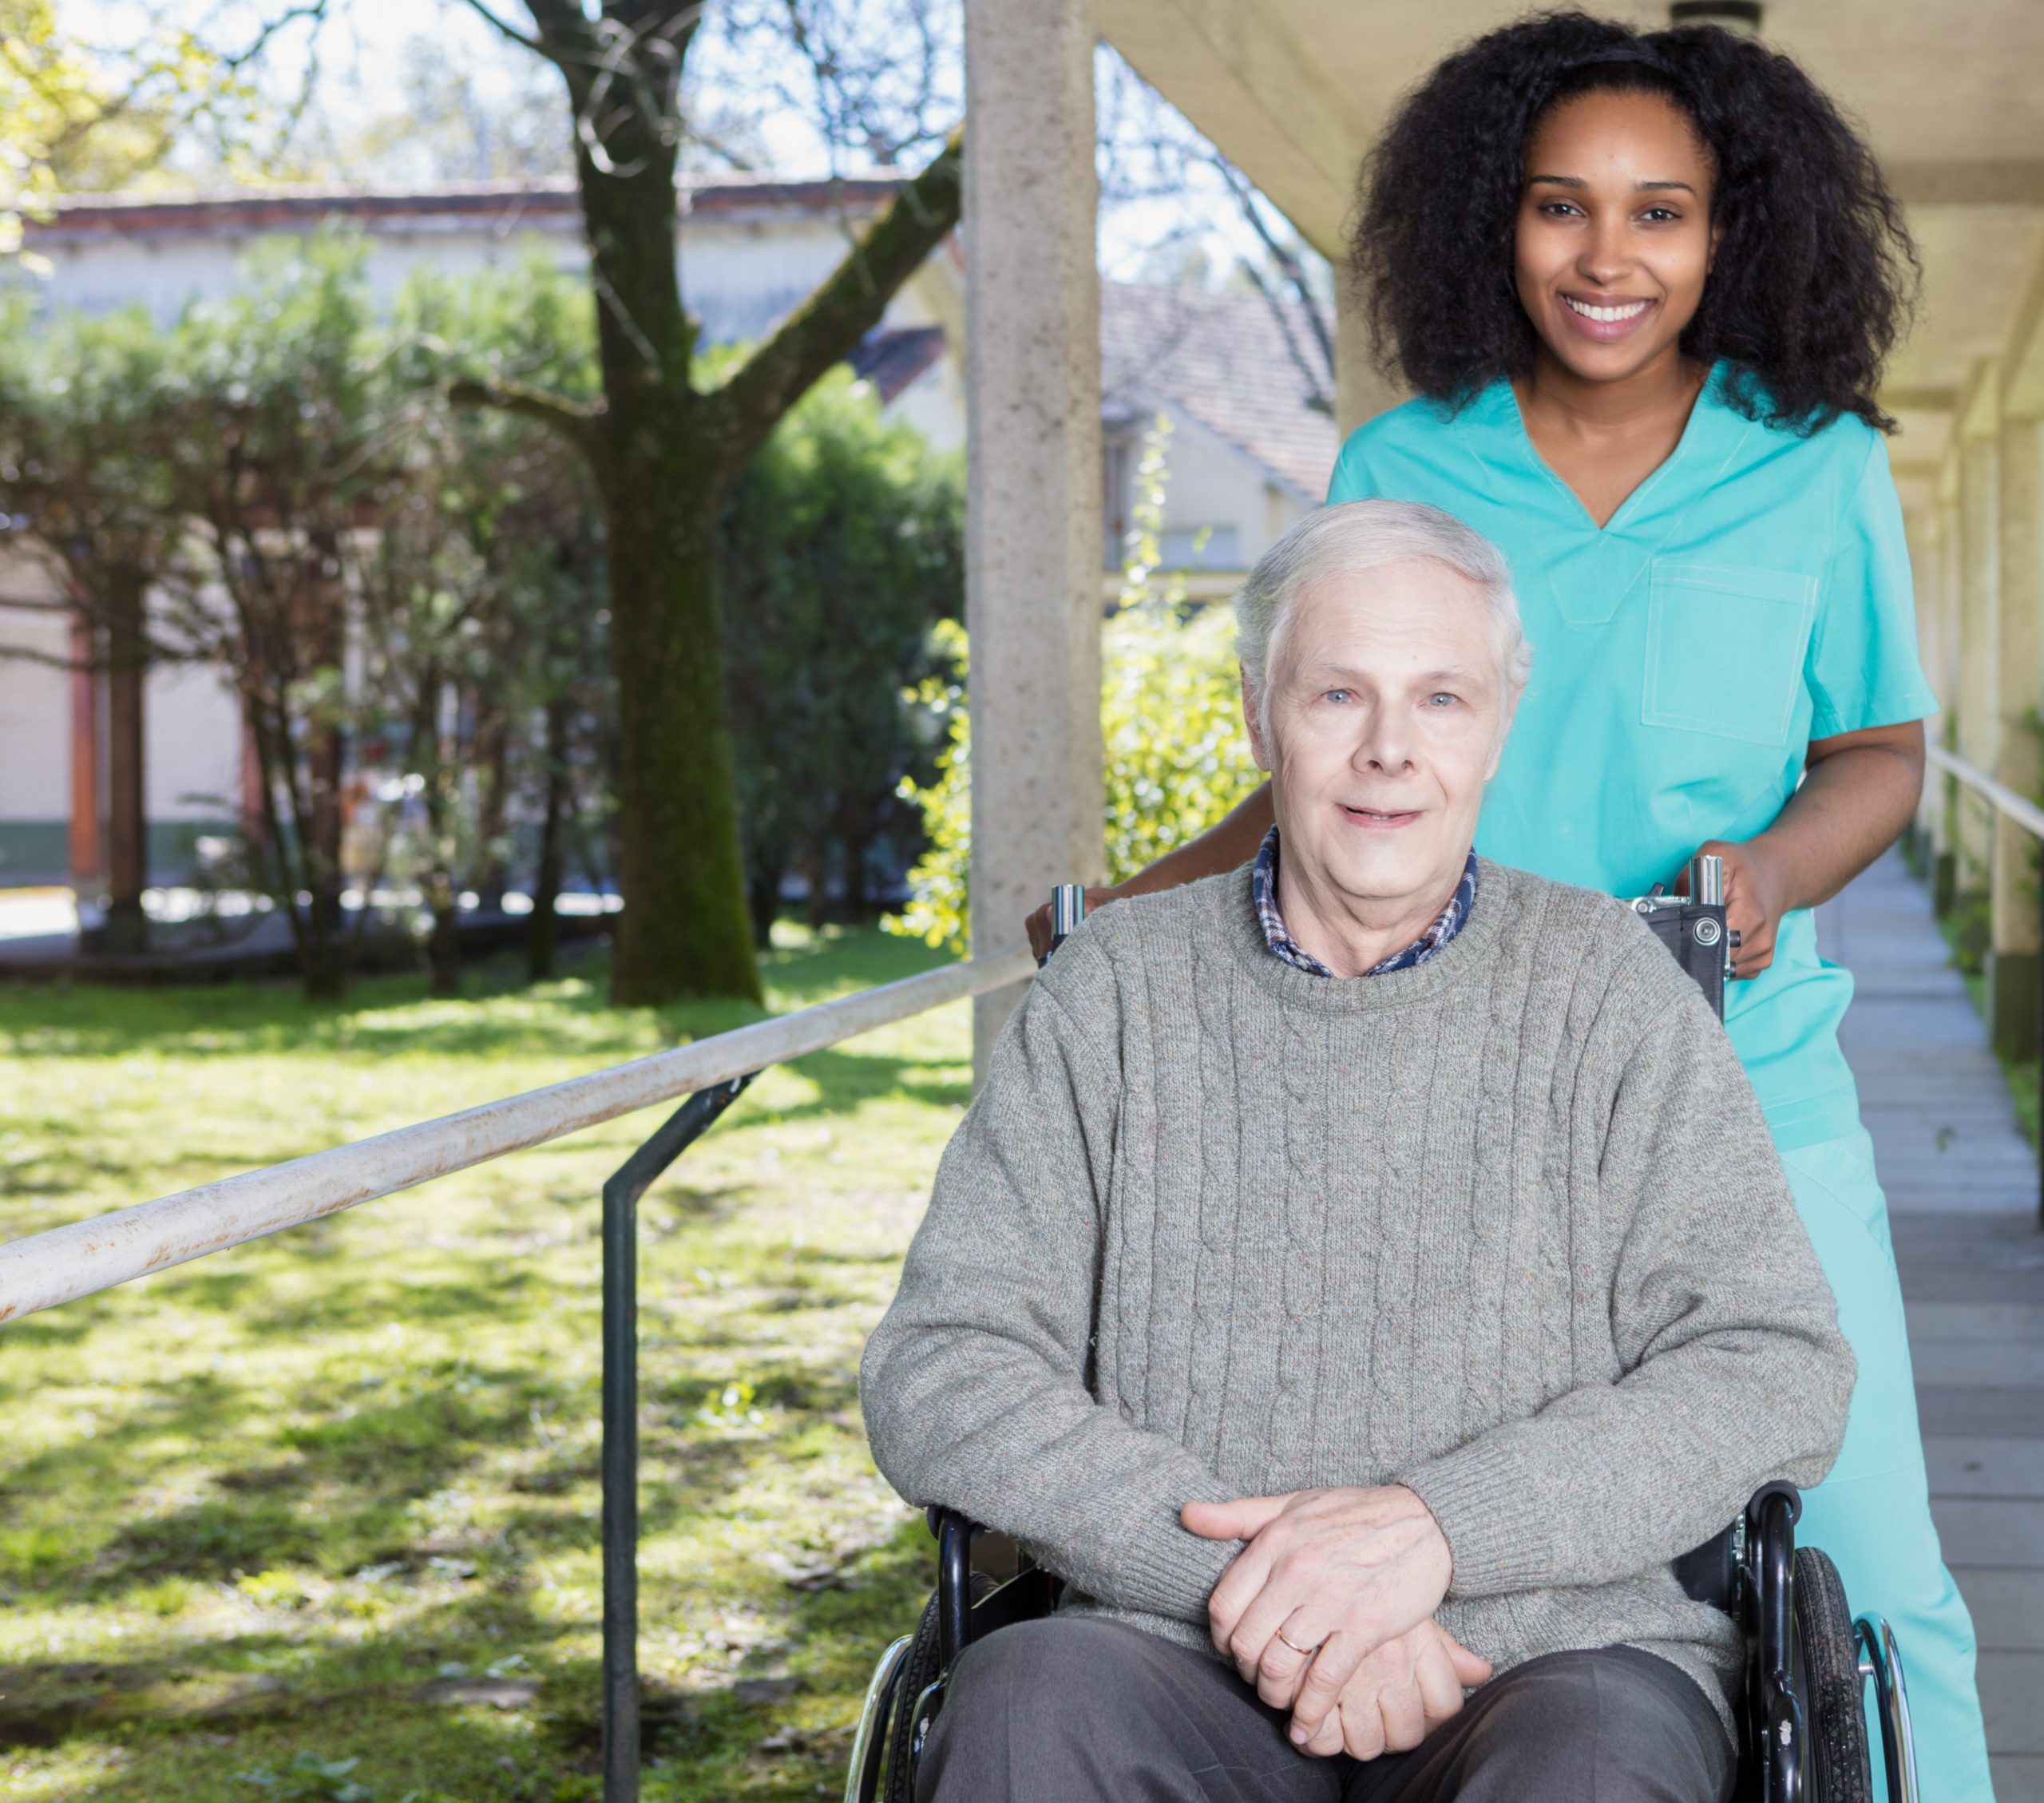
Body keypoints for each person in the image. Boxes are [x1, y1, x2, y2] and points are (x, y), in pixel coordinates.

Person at [1028, 15, 1990, 1797]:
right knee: (1468, 1520)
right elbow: (1326, 758)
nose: (1605, 258)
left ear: (1732, 233)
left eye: (1659, 213)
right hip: (1444, 1100)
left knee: (1876, 1568)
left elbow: (1875, 750)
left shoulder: (1818, 465)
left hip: (1742, 1083)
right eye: (1560, 208)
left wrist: (1767, 873)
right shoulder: (1404, 461)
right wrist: (1127, 912)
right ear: (1497, 220)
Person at [867, 501, 1854, 1803]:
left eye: (1441, 698)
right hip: (1170, 1651)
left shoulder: (1613, 994)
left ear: (1500, 723)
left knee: (1599, 1771)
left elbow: (1777, 1362)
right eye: (1339, 693)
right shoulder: (1110, 993)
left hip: (1550, 1661)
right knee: (1019, 1716)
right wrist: (1254, 1583)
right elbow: (945, 1365)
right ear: (1258, 714)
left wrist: (1441, 1533)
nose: (1390, 750)